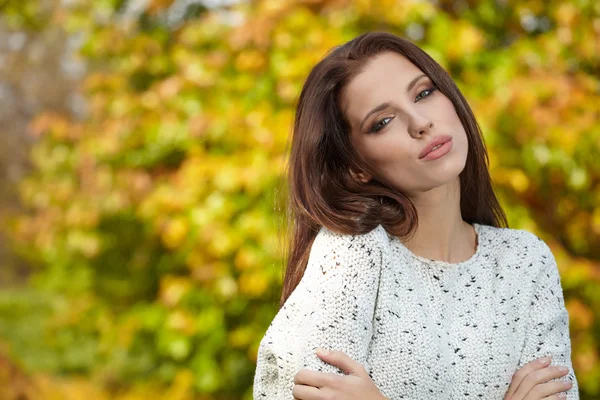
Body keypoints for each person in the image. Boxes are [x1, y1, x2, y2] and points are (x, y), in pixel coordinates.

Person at [252, 31, 579, 399]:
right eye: (382, 121)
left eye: (423, 93)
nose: (420, 122)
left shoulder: (524, 262)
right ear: (356, 167)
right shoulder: (352, 255)